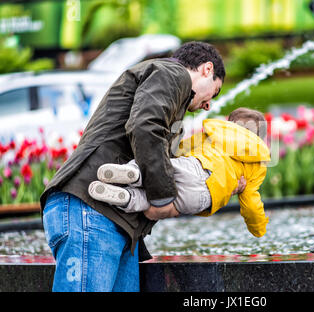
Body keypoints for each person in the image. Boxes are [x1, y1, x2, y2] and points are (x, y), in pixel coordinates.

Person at [40, 41, 236, 292]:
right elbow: (145, 127)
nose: (209, 105)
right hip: (91, 209)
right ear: (207, 69)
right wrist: (163, 199)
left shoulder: (165, 86)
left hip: (110, 219)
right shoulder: (172, 74)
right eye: (215, 92)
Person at [88, 108, 271, 238]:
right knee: (153, 202)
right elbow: (251, 203)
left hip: (196, 168)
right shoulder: (257, 163)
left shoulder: (216, 134)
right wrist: (258, 229)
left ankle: (134, 173)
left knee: (156, 170)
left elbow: (182, 147)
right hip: (204, 198)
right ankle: (128, 197)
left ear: (230, 124)